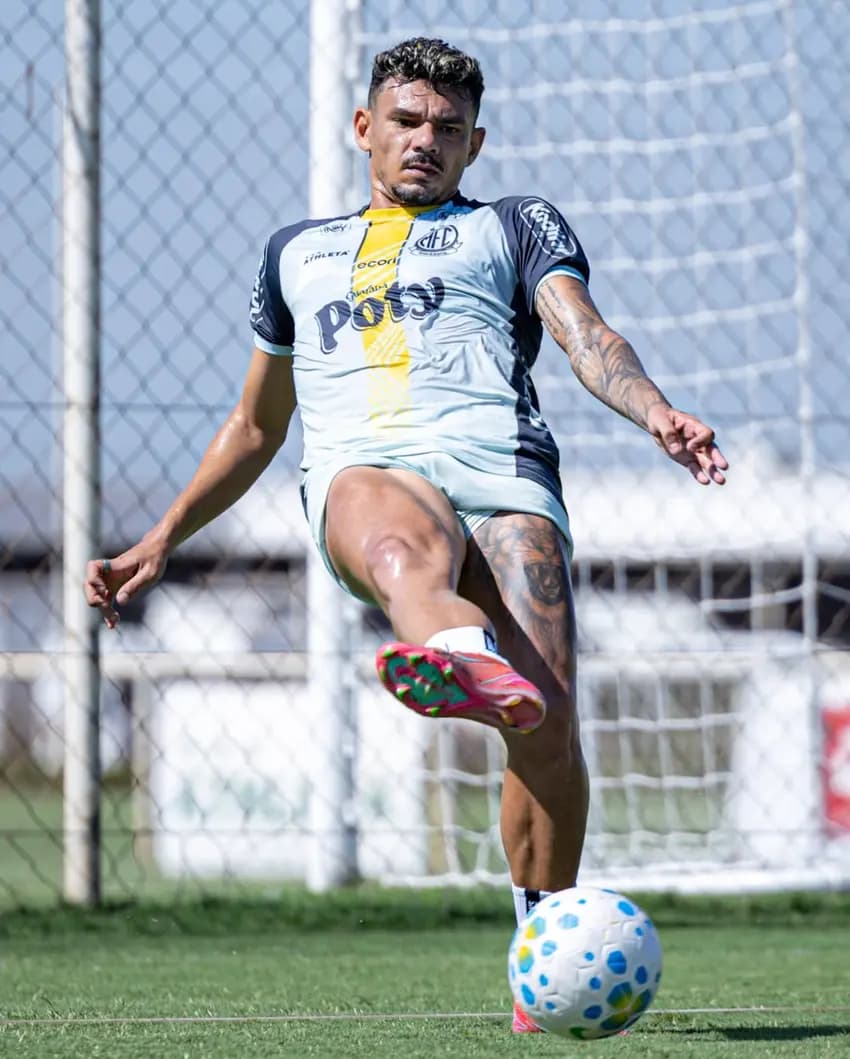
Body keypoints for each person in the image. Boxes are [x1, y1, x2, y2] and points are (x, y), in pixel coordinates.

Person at [84, 37, 728, 1033]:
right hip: (367, 476)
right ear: (364, 129)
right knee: (397, 541)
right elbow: (257, 425)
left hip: (504, 475)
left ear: (475, 145)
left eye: (447, 129)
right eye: (406, 121)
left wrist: (655, 413)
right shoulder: (293, 254)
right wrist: (163, 535)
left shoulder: (513, 226)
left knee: (548, 729)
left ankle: (539, 952)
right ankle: (461, 655)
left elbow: (585, 335)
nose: (424, 141)